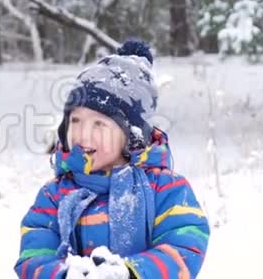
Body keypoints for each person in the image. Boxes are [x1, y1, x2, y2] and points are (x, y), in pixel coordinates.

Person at [14, 40, 210, 279]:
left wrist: (129, 273)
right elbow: (34, 255)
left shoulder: (166, 189)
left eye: (99, 124)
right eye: (75, 121)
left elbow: (185, 248)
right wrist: (64, 274)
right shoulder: (55, 195)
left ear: (131, 135)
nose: (83, 134)